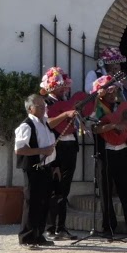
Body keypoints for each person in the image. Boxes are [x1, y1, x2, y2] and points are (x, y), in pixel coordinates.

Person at [90, 74, 127, 237]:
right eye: (109, 93)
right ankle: (108, 227)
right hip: (104, 153)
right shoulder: (97, 108)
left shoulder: (123, 106)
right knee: (105, 193)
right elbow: (94, 128)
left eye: (115, 92)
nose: (113, 95)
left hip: (123, 151)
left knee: (126, 190)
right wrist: (113, 125)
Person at [41, 67, 80, 240]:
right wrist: (65, 114)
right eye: (60, 86)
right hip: (56, 148)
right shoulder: (45, 103)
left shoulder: (68, 101)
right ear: (51, 87)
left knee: (65, 188)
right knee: (54, 188)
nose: (64, 89)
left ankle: (61, 227)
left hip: (71, 146)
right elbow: (47, 124)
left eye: (65, 85)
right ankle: (51, 227)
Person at [15, 94, 58, 248]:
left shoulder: (44, 123)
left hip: (46, 167)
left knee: (44, 201)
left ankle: (38, 234)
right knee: (31, 202)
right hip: (33, 168)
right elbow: (20, 149)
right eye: (39, 106)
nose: (43, 108)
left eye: (43, 105)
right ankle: (26, 237)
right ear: (30, 108)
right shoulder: (26, 126)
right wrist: (42, 150)